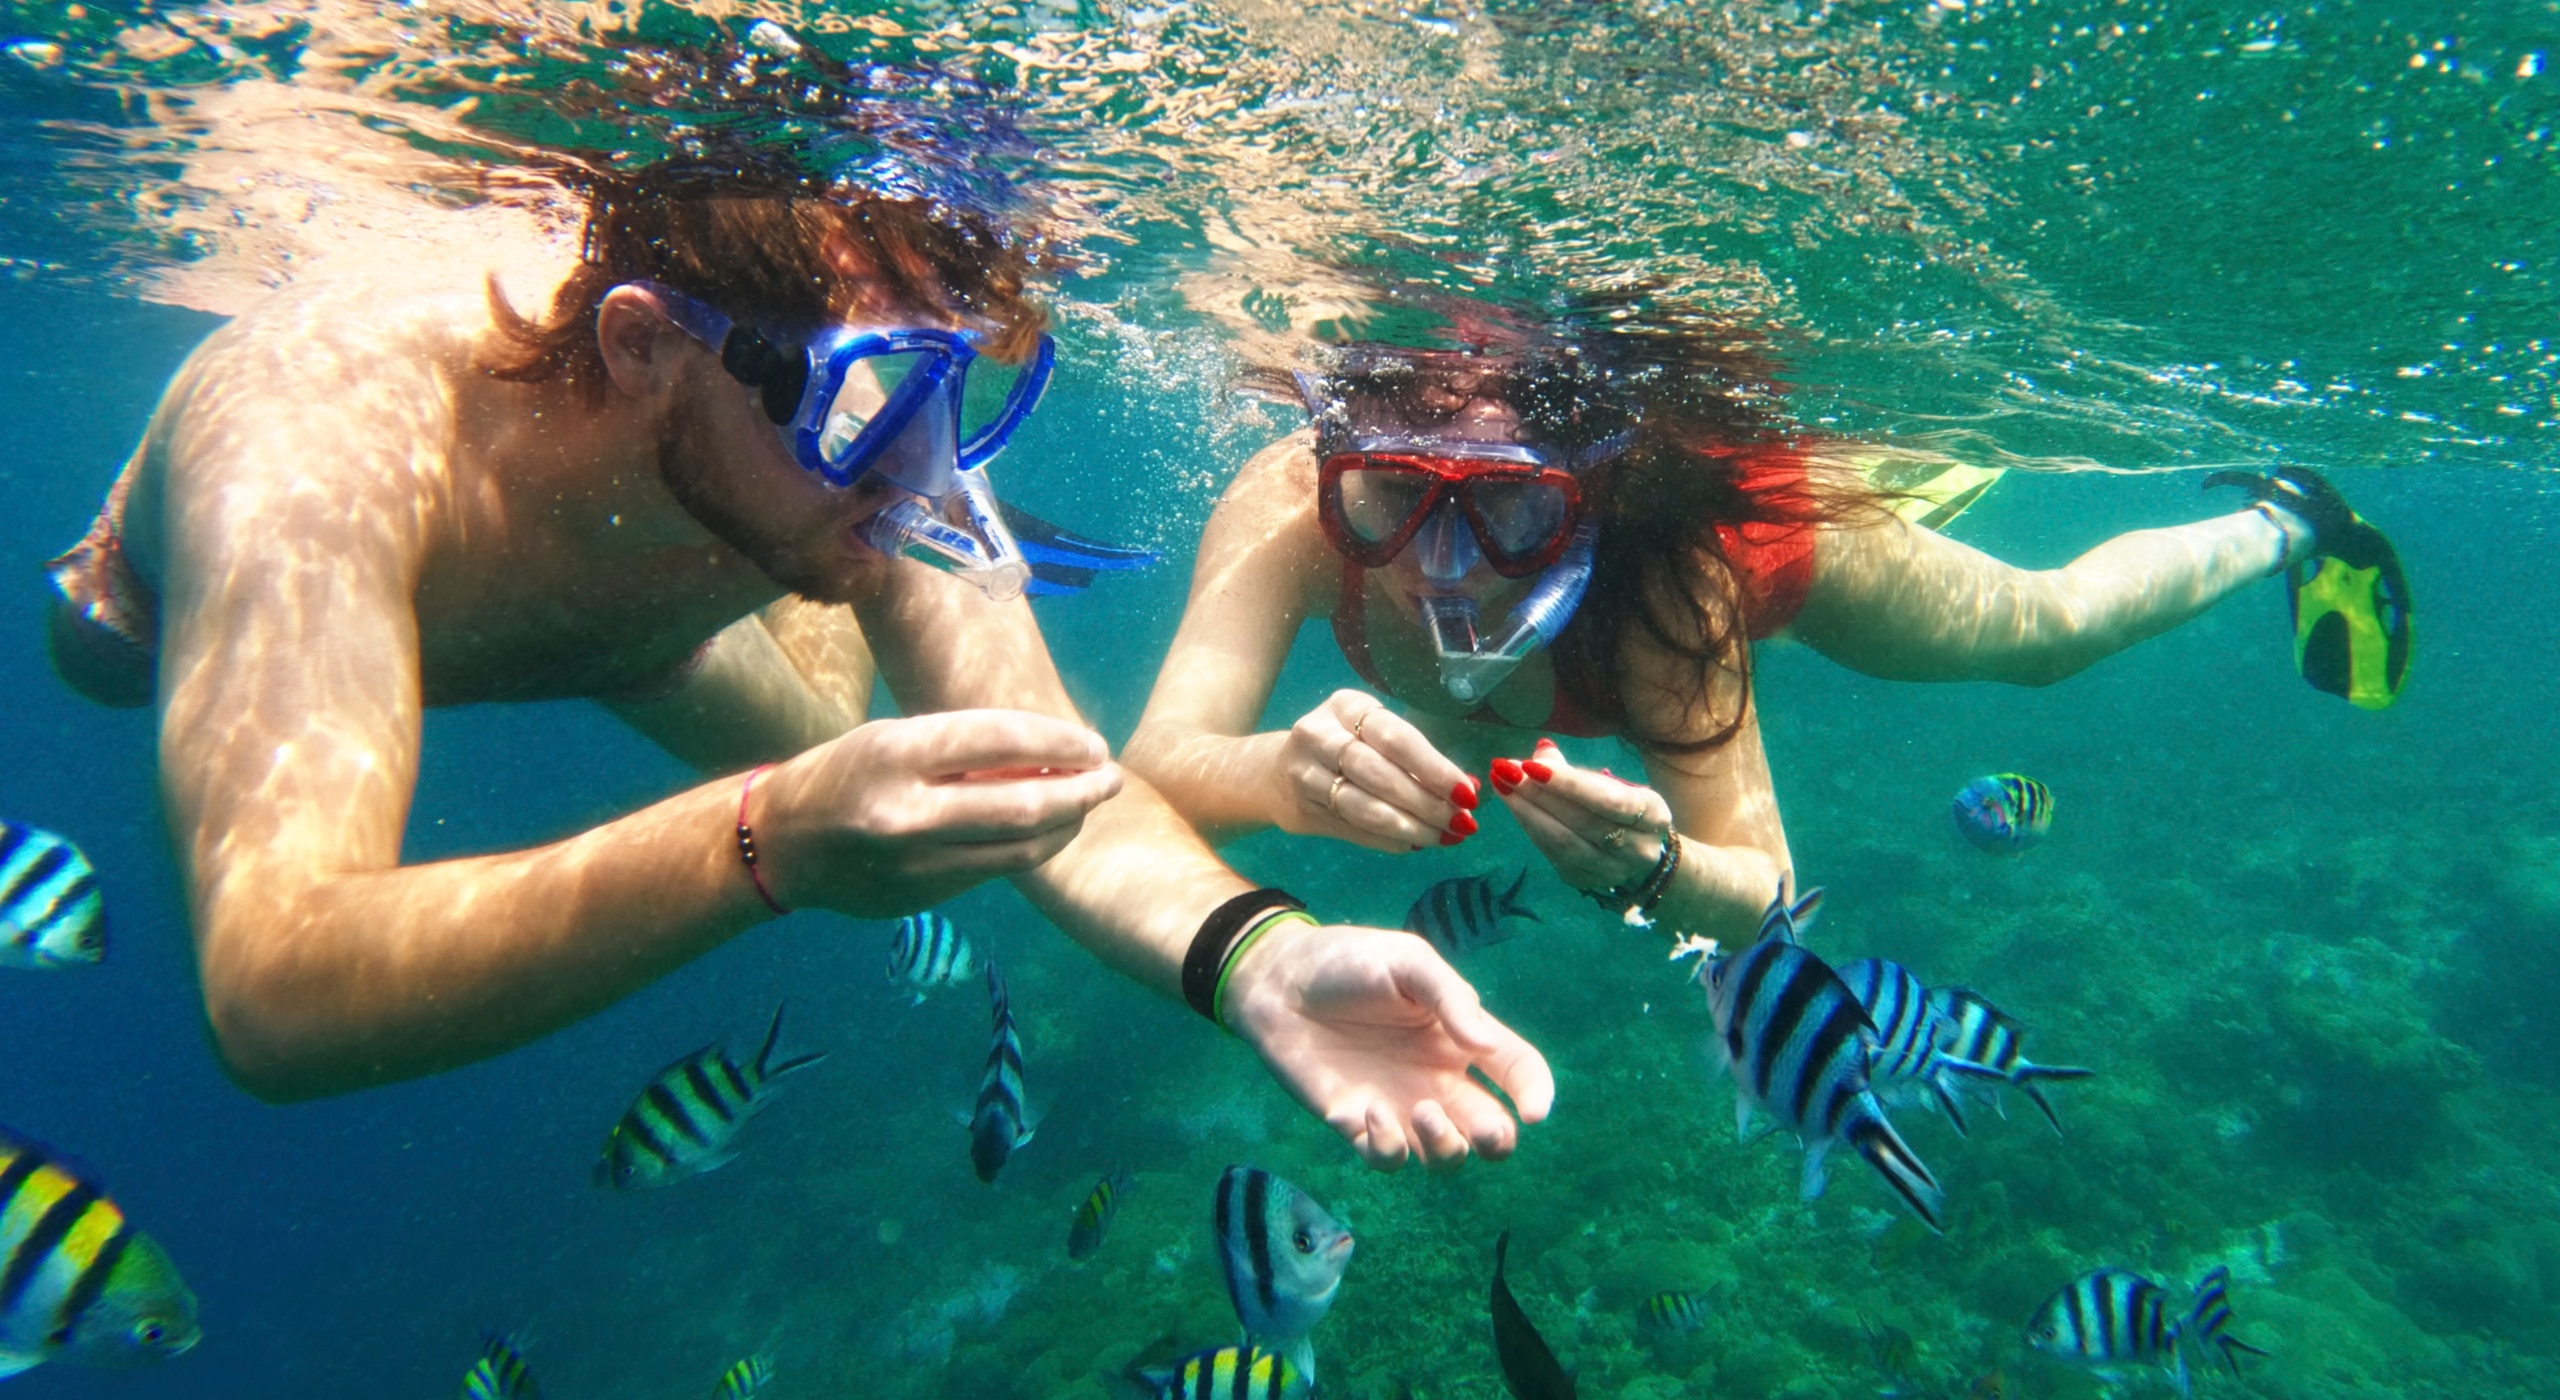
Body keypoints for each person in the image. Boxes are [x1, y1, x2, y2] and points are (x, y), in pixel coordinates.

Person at [36, 158, 1553, 1172]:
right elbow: (276, 992)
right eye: (870, 401)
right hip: (161, 611)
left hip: (659, 635)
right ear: (641, 348)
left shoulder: (866, 466)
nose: (924, 473)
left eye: (962, 394)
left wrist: (1266, 959)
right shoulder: (320, 444)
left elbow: (1053, 769)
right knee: (100, 654)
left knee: (887, 712)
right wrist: (765, 844)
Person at [1122, 327, 2409, 944]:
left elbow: (1764, 883)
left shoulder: (1667, 585)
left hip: (1768, 554)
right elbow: (1162, 755)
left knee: (2043, 629)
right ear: (1338, 468)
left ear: (1585, 493)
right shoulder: (1286, 503)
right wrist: (1279, 778)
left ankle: (2287, 523)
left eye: (1511, 506)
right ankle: (1904, 483)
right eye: (1394, 496)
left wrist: (1658, 867)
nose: (1442, 567)